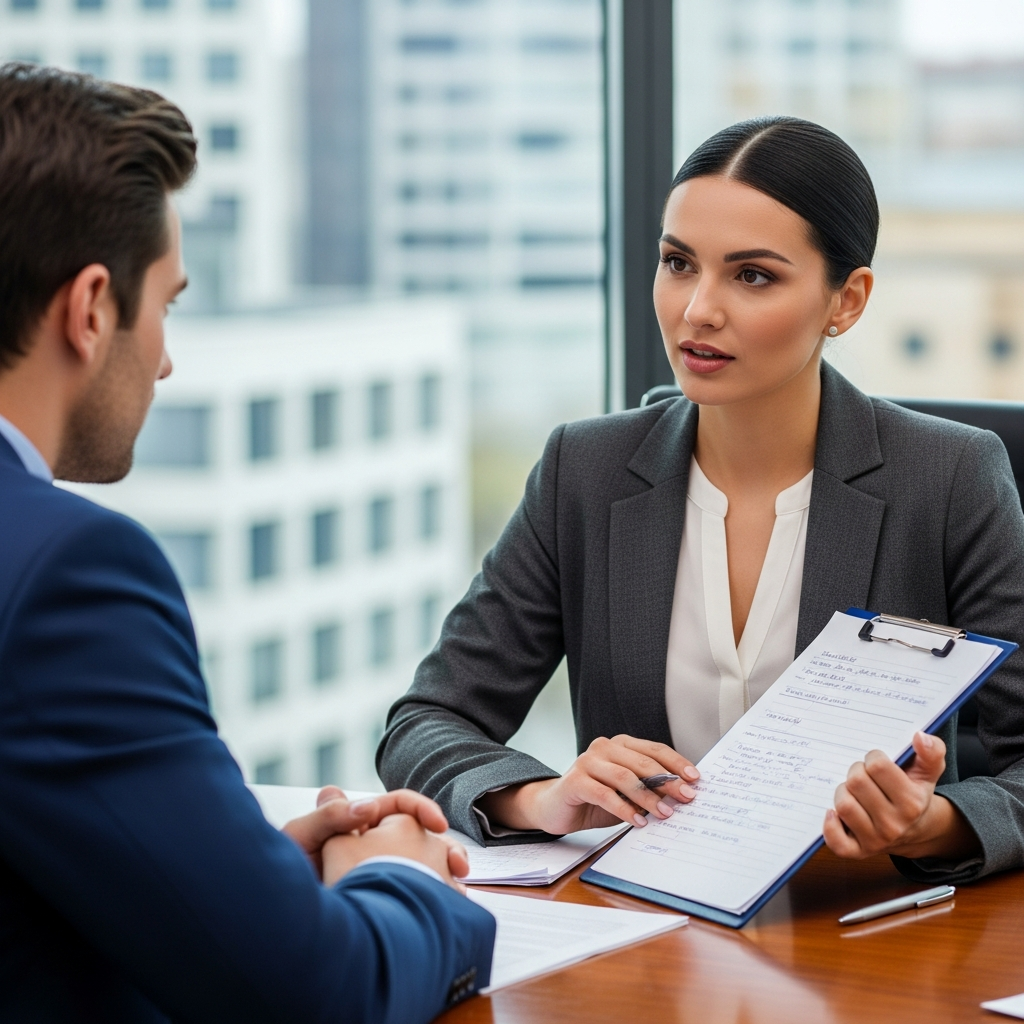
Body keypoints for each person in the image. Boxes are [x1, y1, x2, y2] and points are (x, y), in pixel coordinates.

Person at [380, 116, 1024, 883]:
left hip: (859, 932)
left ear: (846, 301)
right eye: (678, 262)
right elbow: (425, 720)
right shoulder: (583, 471)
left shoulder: (949, 479)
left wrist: (930, 824)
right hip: (645, 935)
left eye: (753, 275)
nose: (697, 310)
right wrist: (538, 797)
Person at [0, 63, 494, 1023]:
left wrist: (234, 883)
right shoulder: (67, 573)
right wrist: (406, 883)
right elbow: (318, 996)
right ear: (92, 308)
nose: (167, 358)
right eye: (167, 305)